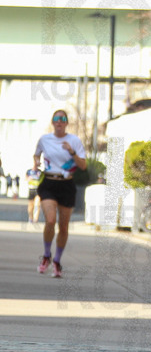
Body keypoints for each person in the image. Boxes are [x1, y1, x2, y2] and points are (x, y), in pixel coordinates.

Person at [33, 110, 88, 278]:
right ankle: (46, 255)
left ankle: (57, 261)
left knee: (63, 227)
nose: (59, 122)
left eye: (62, 119)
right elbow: (36, 155)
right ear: (52, 122)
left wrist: (72, 152)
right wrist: (36, 164)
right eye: (56, 119)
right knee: (51, 220)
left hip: (66, 184)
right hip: (49, 183)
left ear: (66, 123)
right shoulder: (44, 139)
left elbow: (83, 165)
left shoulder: (74, 141)